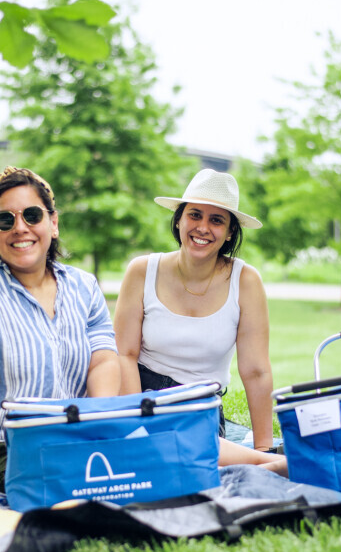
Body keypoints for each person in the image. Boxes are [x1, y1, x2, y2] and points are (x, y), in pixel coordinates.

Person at [0, 167, 120, 499]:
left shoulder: (84, 288)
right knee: (88, 474)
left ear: (53, 223)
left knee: (141, 447)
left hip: (68, 440)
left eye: (32, 215)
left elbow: (102, 361)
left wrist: (96, 426)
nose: (20, 228)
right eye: (6, 220)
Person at [113, 169, 286, 473]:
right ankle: (268, 465)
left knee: (187, 447)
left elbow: (256, 371)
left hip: (200, 409)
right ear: (179, 219)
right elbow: (124, 355)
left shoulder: (245, 281)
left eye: (216, 220)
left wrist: (264, 444)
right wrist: (134, 423)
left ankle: (265, 460)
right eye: (195, 215)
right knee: (161, 452)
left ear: (230, 231)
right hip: (143, 396)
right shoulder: (141, 271)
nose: (202, 227)